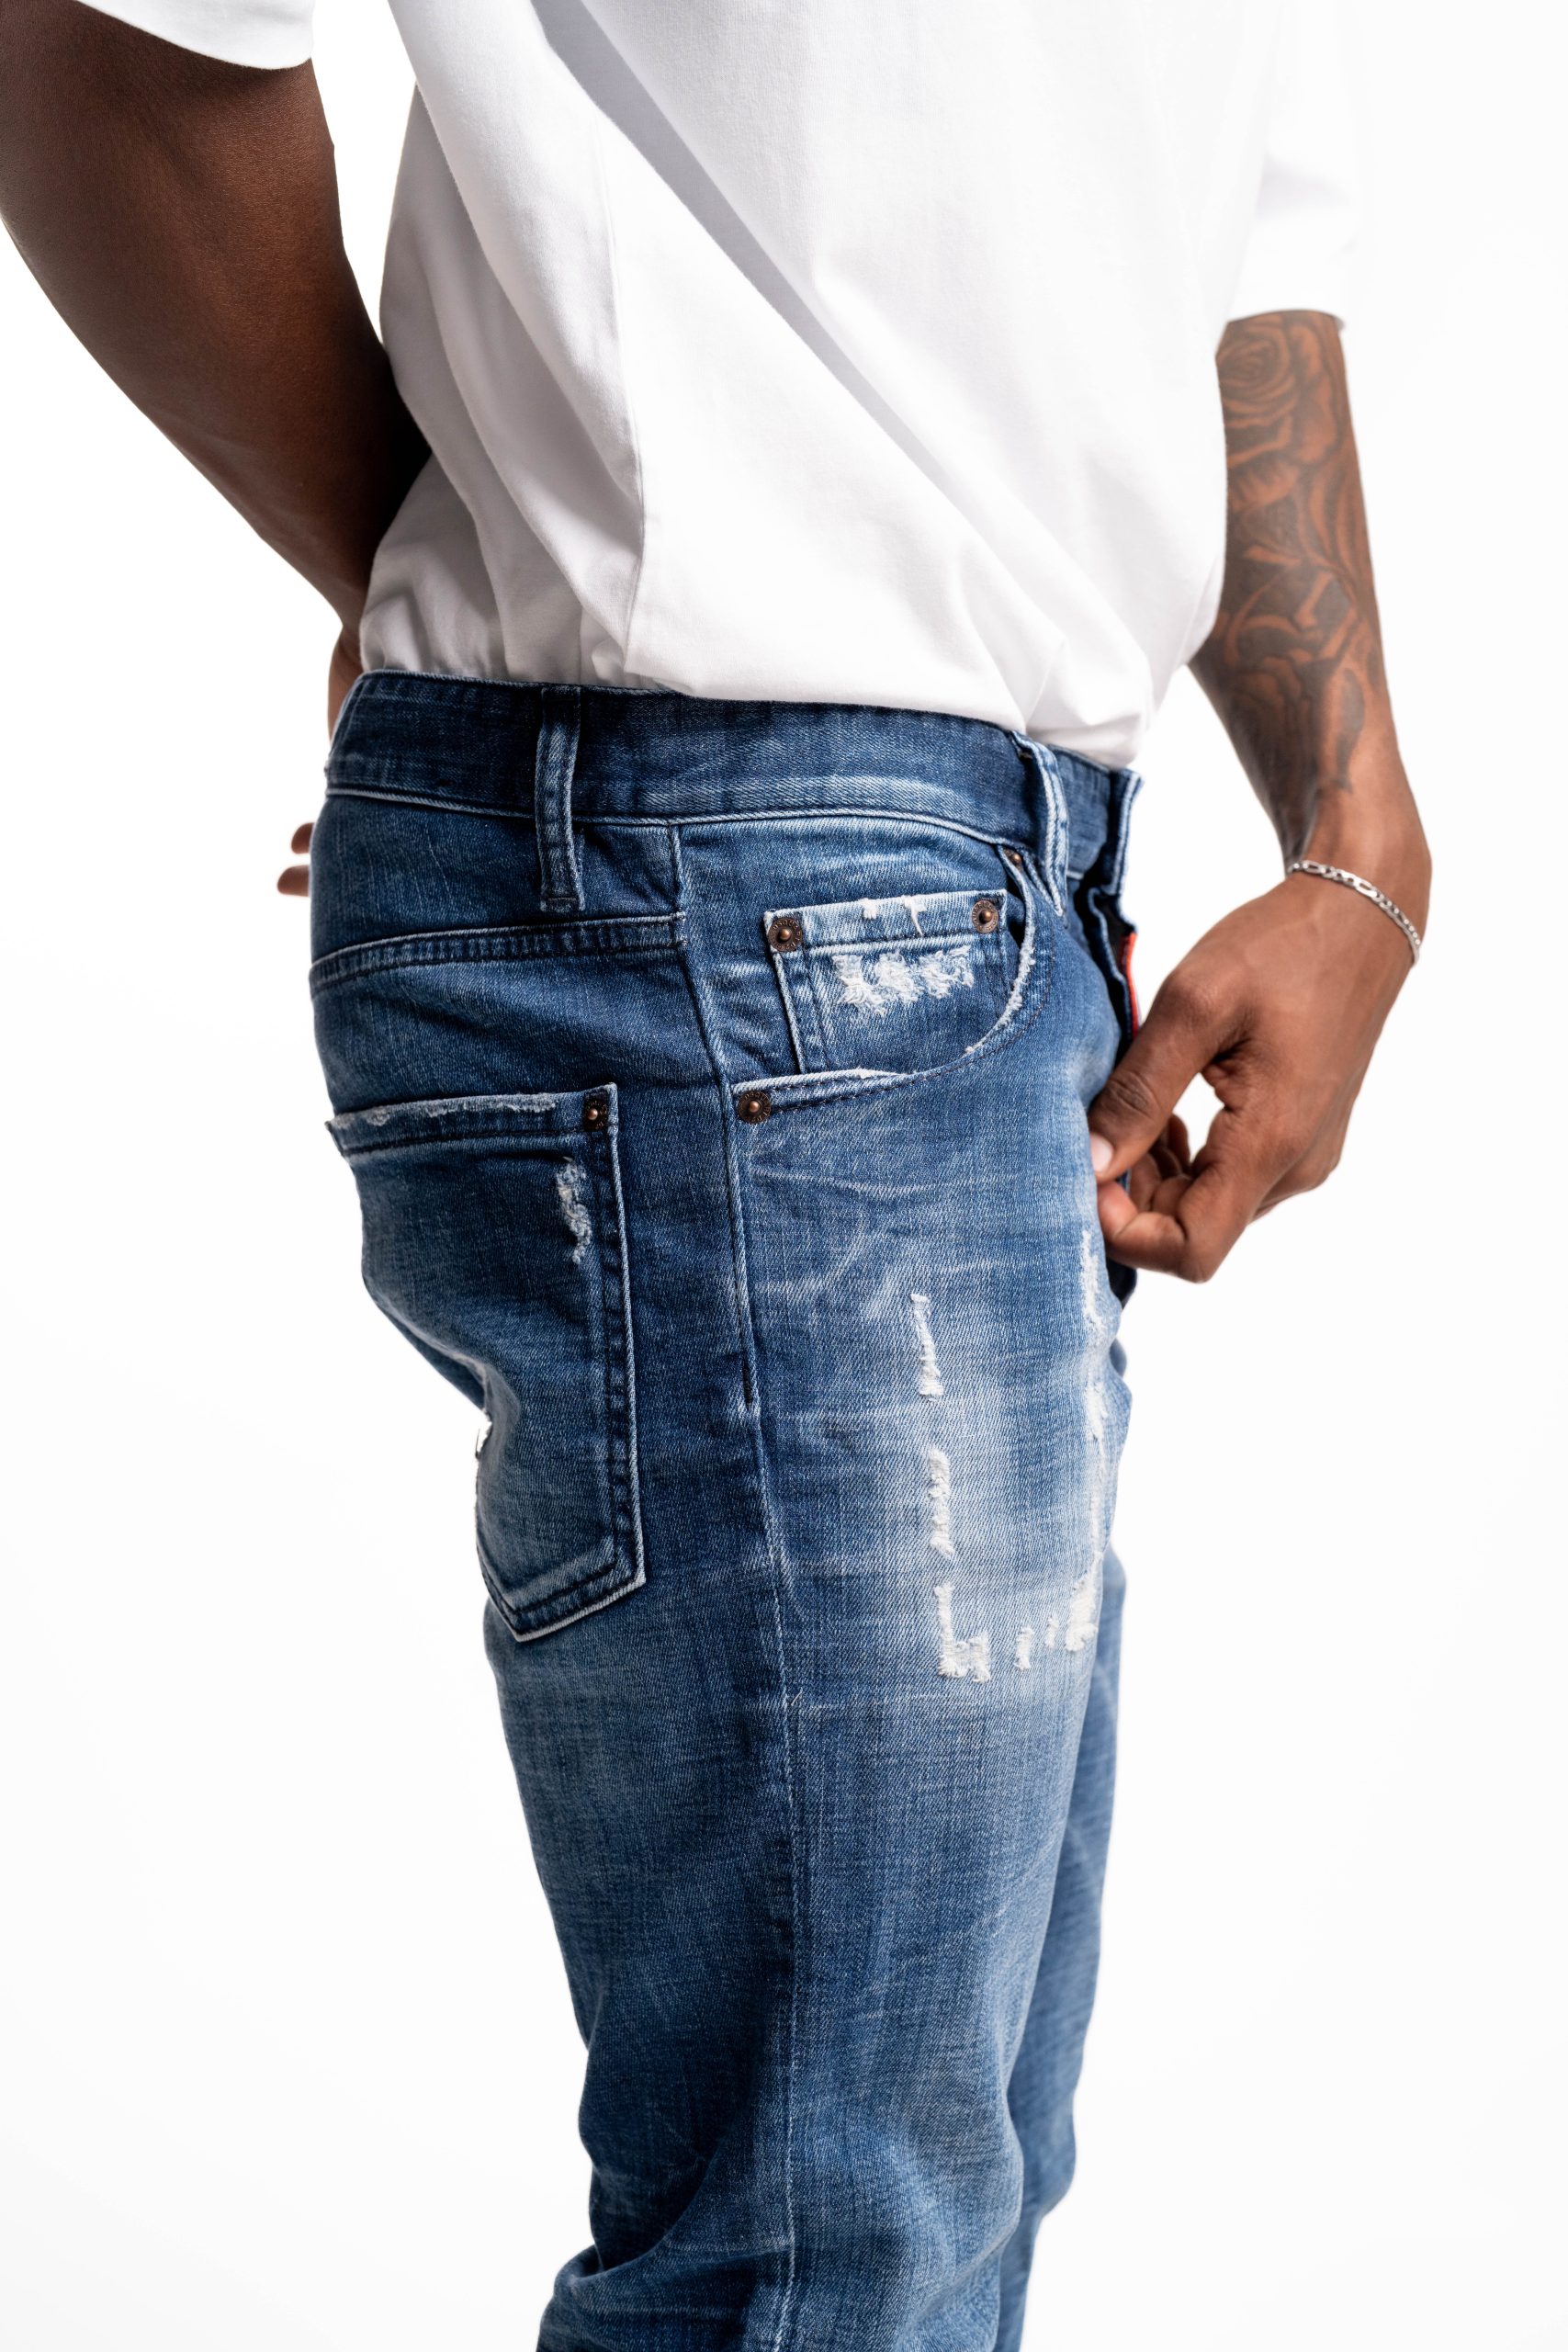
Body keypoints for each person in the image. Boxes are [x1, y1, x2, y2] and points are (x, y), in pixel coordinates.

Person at [1, 4, 1430, 2345]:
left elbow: (1217, 204)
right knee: (821, 2240)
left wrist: (1355, 833)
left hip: (991, 888)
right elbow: (112, 39)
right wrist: (451, 567)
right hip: (738, 876)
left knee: (923, 2183)